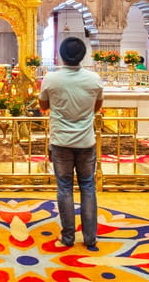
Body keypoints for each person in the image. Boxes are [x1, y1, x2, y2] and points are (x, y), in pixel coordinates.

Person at [39, 37, 103, 249]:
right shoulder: (94, 79)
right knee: (88, 187)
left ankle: (67, 237)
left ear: (62, 55)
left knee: (64, 188)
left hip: (61, 141)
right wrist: (81, 115)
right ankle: (90, 238)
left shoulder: (52, 79)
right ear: (83, 55)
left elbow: (43, 105)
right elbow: (97, 106)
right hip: (86, 140)